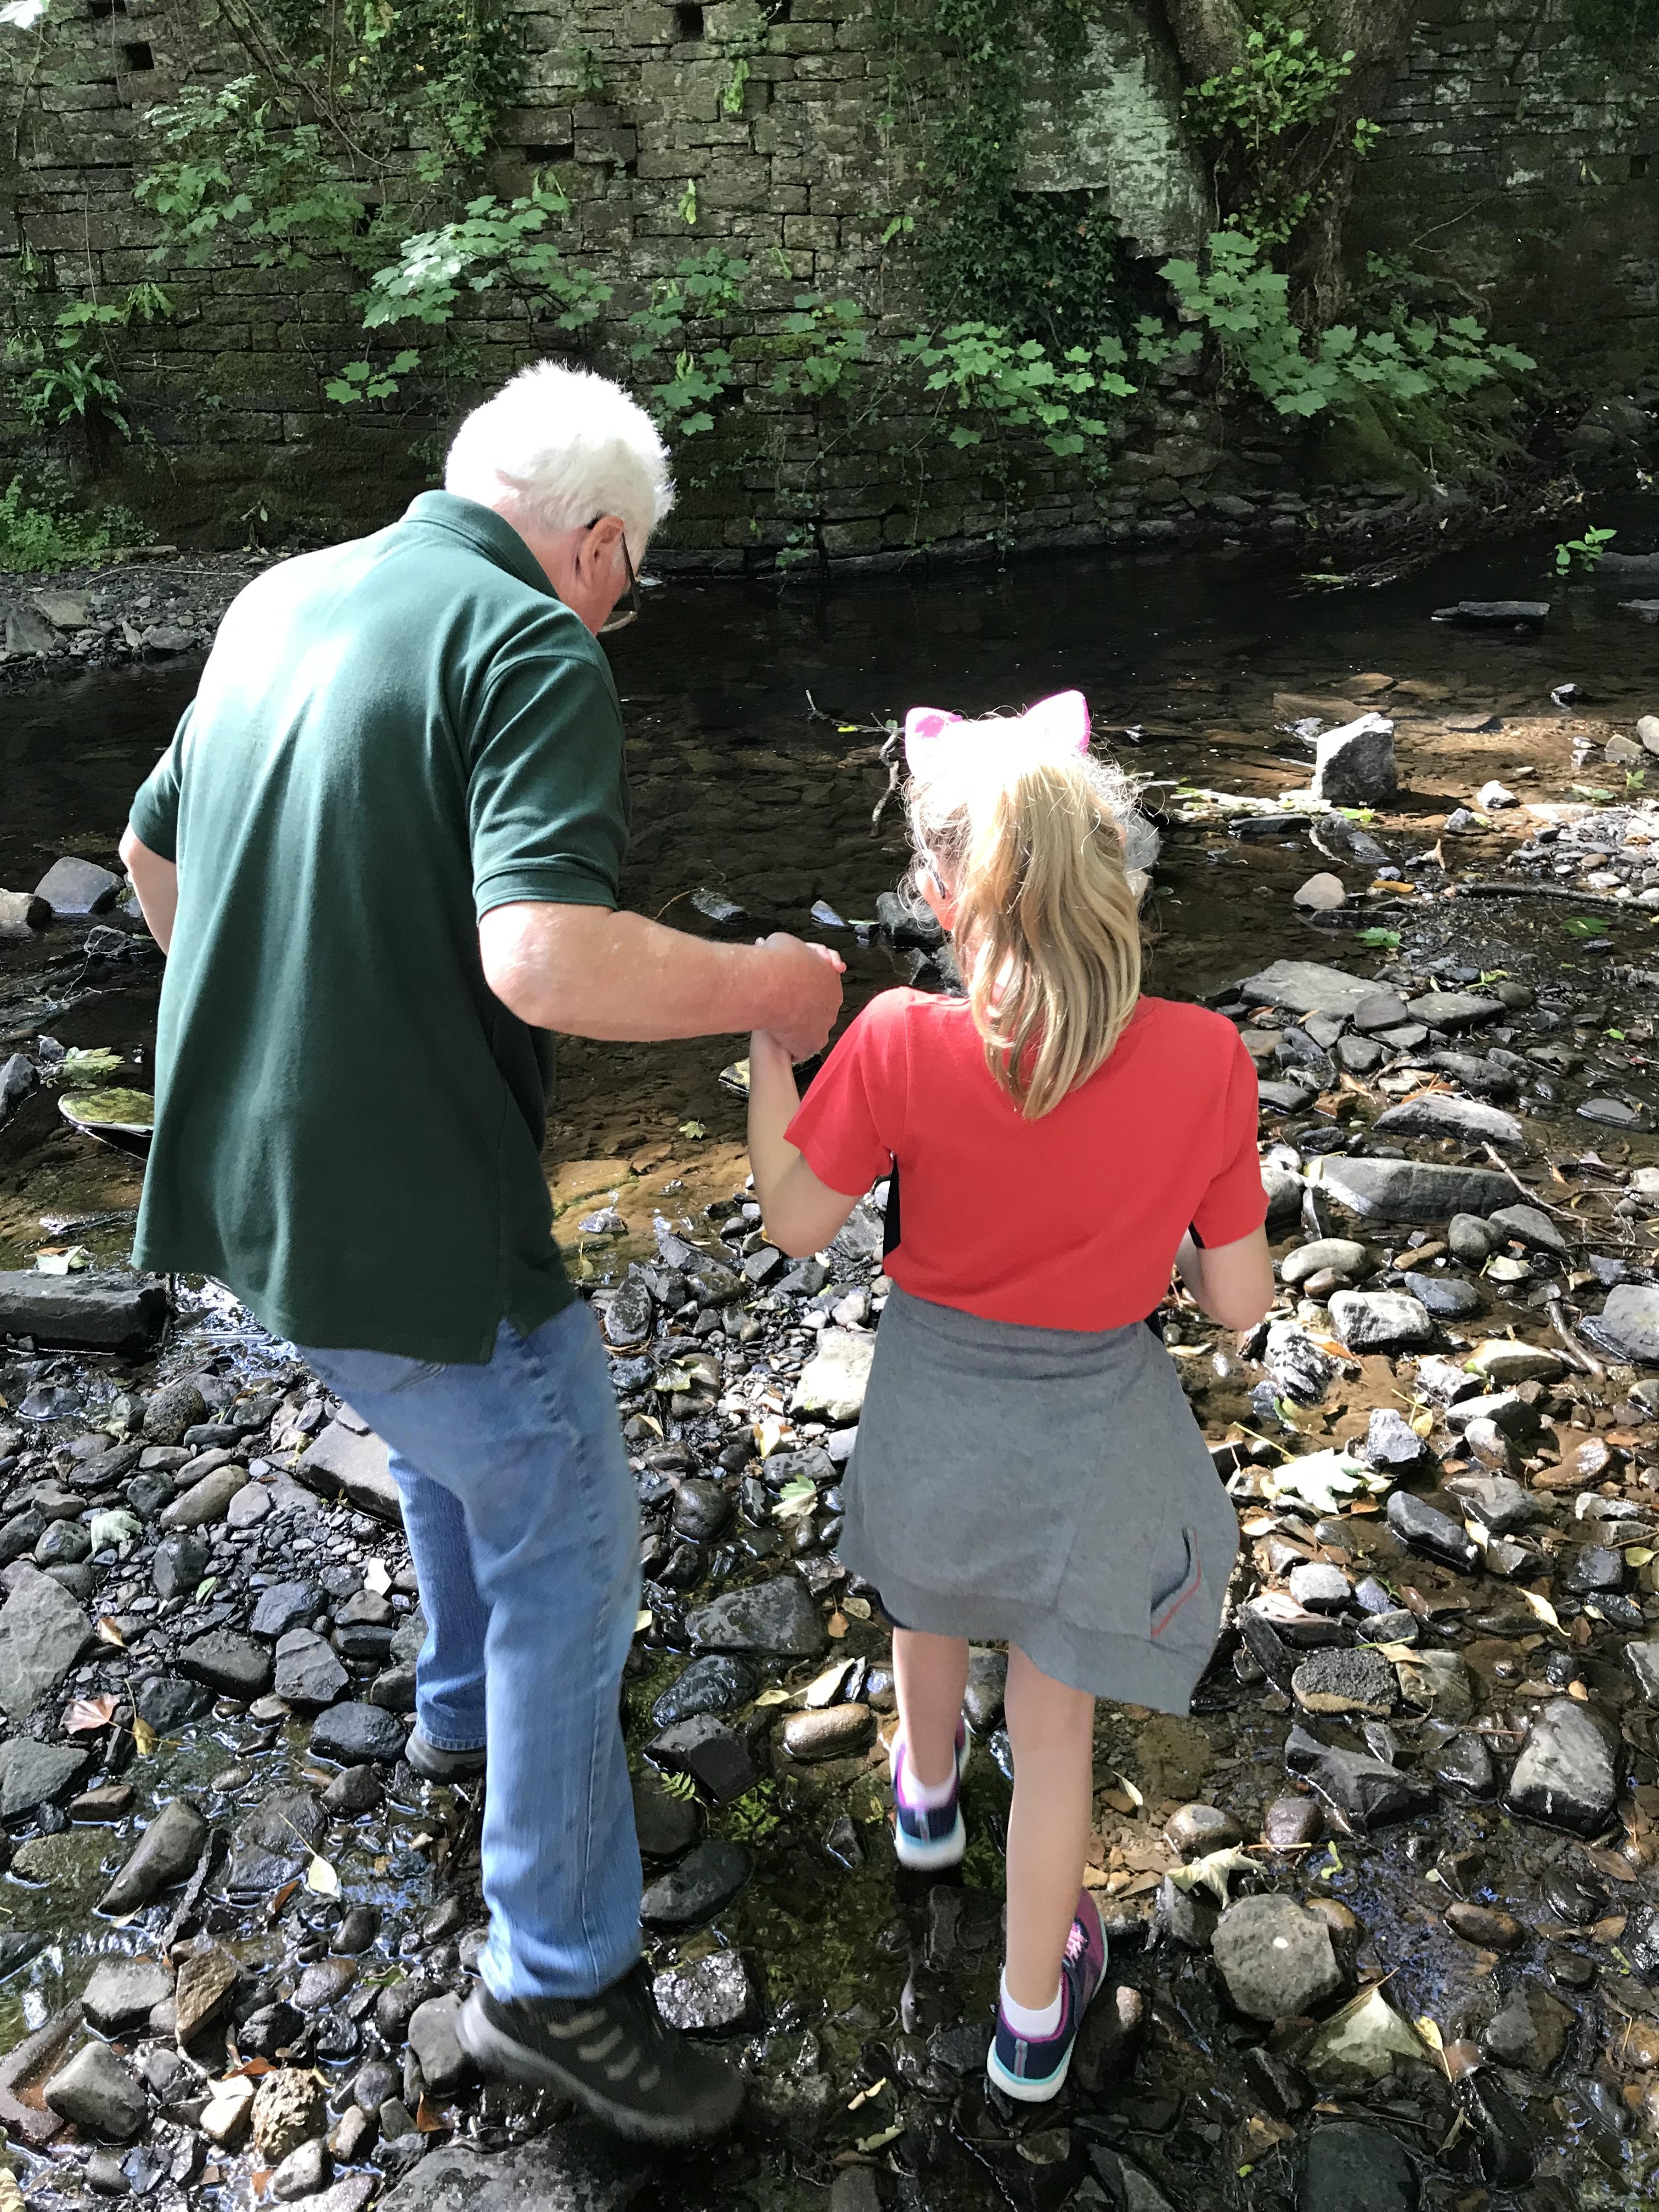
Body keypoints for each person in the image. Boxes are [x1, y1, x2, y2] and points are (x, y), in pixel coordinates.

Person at [118, 361, 844, 2144]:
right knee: (570, 1524)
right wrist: (767, 984)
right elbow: (543, 958)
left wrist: (272, 1019)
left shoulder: (283, 597)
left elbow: (148, 853)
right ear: (595, 545)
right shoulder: (529, 646)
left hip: (249, 1198)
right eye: (628, 582)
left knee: (454, 1441)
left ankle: (457, 1711)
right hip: (406, 1213)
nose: (617, 614)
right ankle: (558, 1981)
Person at [744, 690, 1273, 2105]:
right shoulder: (1208, 1058)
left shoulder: (899, 1039)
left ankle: (923, 1798)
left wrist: (767, 1058)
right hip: (1093, 1440)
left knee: (926, 1593)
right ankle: (1033, 2022)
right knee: (1054, 1746)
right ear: (1119, 876)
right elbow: (1237, 1301)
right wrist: (1175, 1230)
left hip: (932, 1407)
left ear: (940, 895)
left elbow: (794, 1218)